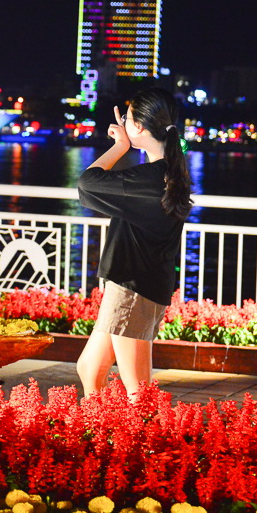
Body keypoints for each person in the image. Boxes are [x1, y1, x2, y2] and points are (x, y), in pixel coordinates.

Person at [75, 87, 192, 401]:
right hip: (135, 285)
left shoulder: (151, 178)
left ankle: (146, 445)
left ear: (138, 127)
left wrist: (118, 146)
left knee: (139, 391)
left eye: (126, 119)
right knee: (89, 368)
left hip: (134, 288)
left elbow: (86, 186)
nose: (123, 123)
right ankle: (96, 437)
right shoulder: (167, 173)